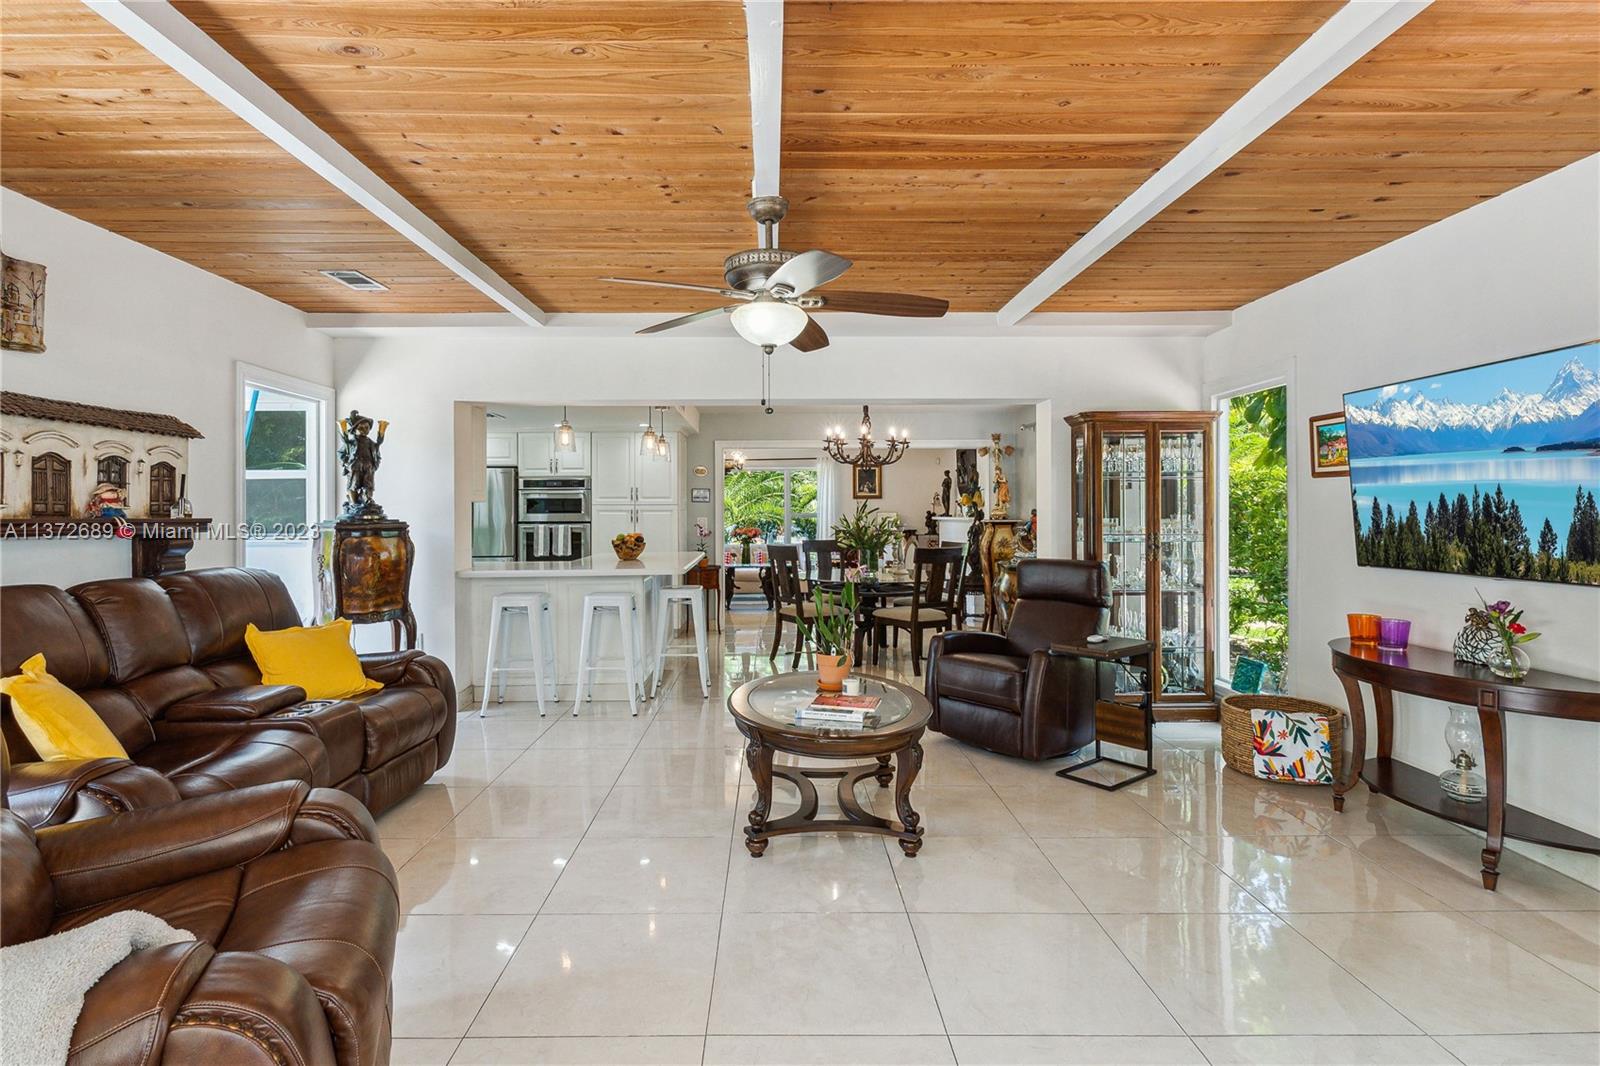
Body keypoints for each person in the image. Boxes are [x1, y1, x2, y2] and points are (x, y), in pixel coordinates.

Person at [338, 410, 388, 518]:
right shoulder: (350, 443)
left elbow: (377, 455)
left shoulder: (371, 443)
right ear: (355, 430)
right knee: (354, 484)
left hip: (368, 466)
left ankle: (367, 500)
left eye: (366, 428)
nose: (364, 430)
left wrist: (375, 465)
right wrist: (346, 463)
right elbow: (341, 453)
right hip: (355, 466)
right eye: (360, 428)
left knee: (368, 484)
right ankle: (354, 503)